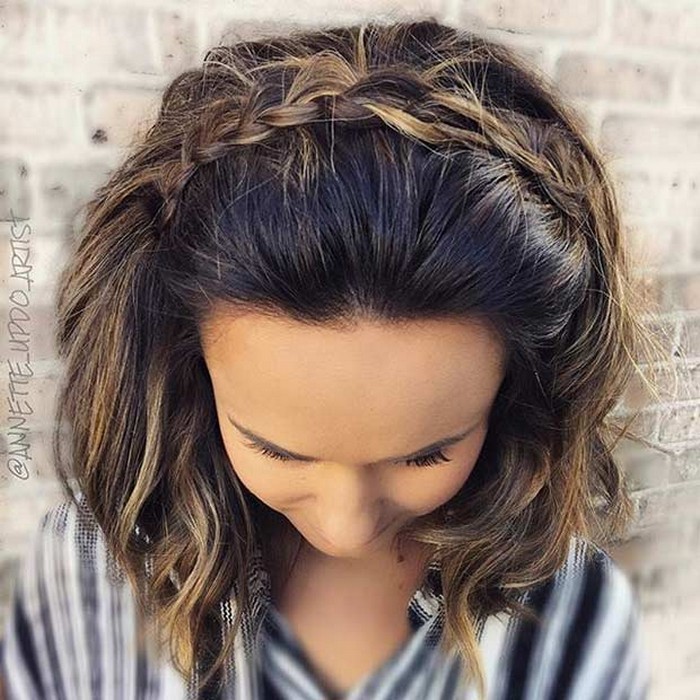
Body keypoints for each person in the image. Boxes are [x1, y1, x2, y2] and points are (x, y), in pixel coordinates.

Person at [0, 17, 666, 700]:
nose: (346, 526)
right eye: (277, 452)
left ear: (521, 395)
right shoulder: (90, 574)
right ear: (184, 372)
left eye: (425, 456)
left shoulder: (574, 615)